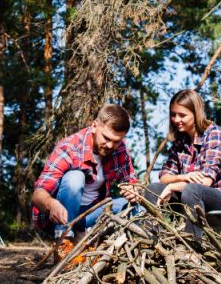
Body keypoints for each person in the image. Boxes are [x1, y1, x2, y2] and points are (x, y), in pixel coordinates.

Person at [144, 89, 221, 238]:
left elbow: (205, 182)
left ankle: (194, 248)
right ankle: (153, 243)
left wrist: (172, 186)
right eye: (173, 114)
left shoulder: (214, 135)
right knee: (153, 189)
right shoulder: (180, 141)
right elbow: (164, 176)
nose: (176, 120)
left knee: (192, 189)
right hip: (197, 200)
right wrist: (184, 177)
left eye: (182, 115)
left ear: (196, 114)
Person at [32, 104, 141, 244]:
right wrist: (50, 204)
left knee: (136, 207)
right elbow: (38, 194)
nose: (109, 146)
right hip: (60, 217)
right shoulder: (69, 148)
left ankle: (132, 246)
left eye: (116, 141)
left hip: (91, 214)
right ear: (94, 126)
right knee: (75, 178)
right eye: (106, 138)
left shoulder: (120, 149)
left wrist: (133, 189)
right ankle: (64, 241)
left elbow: (131, 180)